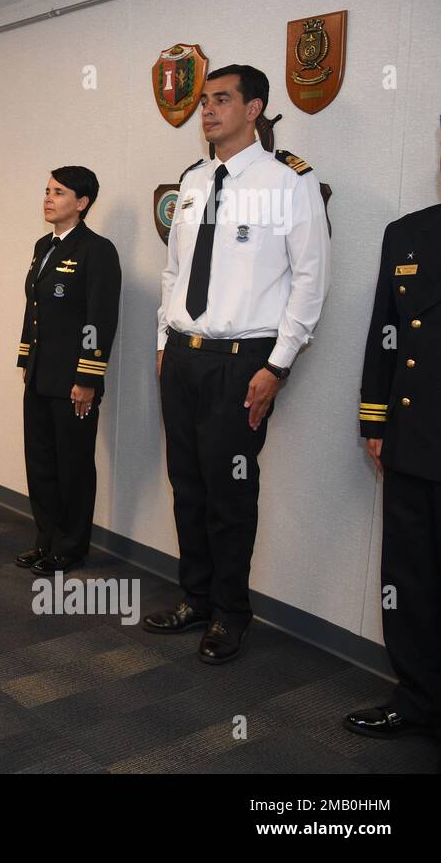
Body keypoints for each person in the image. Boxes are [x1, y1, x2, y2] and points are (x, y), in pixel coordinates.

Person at [144, 64, 330, 664]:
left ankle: (230, 614)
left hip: (241, 363)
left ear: (254, 109)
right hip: (183, 358)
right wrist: (162, 339)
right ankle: (195, 597)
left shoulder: (287, 182)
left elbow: (310, 280)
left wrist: (277, 365)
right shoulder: (194, 181)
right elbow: (174, 270)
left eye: (221, 100)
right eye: (204, 102)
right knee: (187, 486)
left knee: (230, 493)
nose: (208, 111)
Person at [345, 200, 441, 740]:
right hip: (412, 437)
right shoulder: (408, 231)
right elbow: (386, 327)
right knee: (408, 579)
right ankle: (418, 698)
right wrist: (374, 416)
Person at [15, 166, 120, 575]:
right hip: (41, 375)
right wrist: (26, 360)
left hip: (74, 382)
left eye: (58, 192)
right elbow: (34, 309)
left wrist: (88, 379)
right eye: (46, 190)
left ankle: (71, 546)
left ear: (82, 202)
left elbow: (100, 319)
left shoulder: (98, 250)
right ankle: (45, 540)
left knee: (73, 466)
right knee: (40, 462)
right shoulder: (44, 245)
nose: (48, 198)